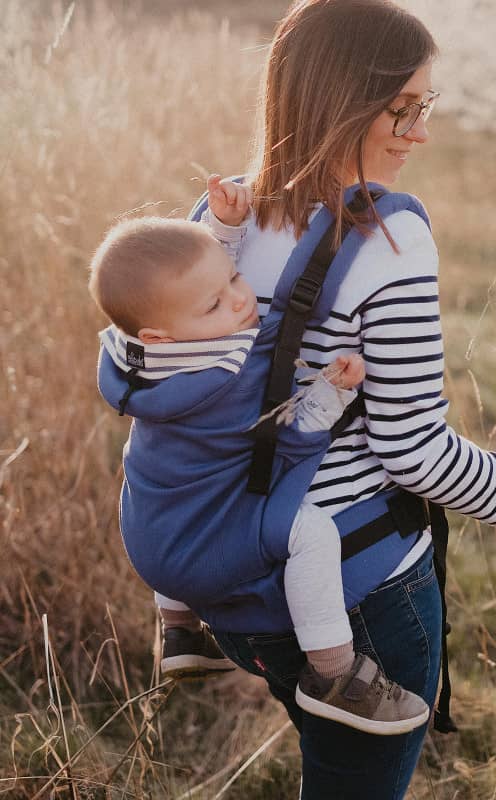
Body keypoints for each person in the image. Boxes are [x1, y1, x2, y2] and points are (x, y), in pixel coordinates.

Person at [195, 1, 496, 797]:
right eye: (401, 109)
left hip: (240, 583)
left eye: (427, 107)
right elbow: (411, 450)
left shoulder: (220, 219)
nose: (420, 132)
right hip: (359, 594)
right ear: (340, 100)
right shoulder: (389, 239)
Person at [90, 175, 431, 735]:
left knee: (149, 469)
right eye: (218, 305)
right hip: (207, 551)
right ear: (161, 336)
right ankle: (335, 675)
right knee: (311, 533)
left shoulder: (134, 360)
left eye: (235, 278)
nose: (242, 298)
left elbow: (181, 289)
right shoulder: (229, 377)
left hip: (150, 539)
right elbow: (287, 435)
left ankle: (179, 630)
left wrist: (221, 231)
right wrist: (332, 393)